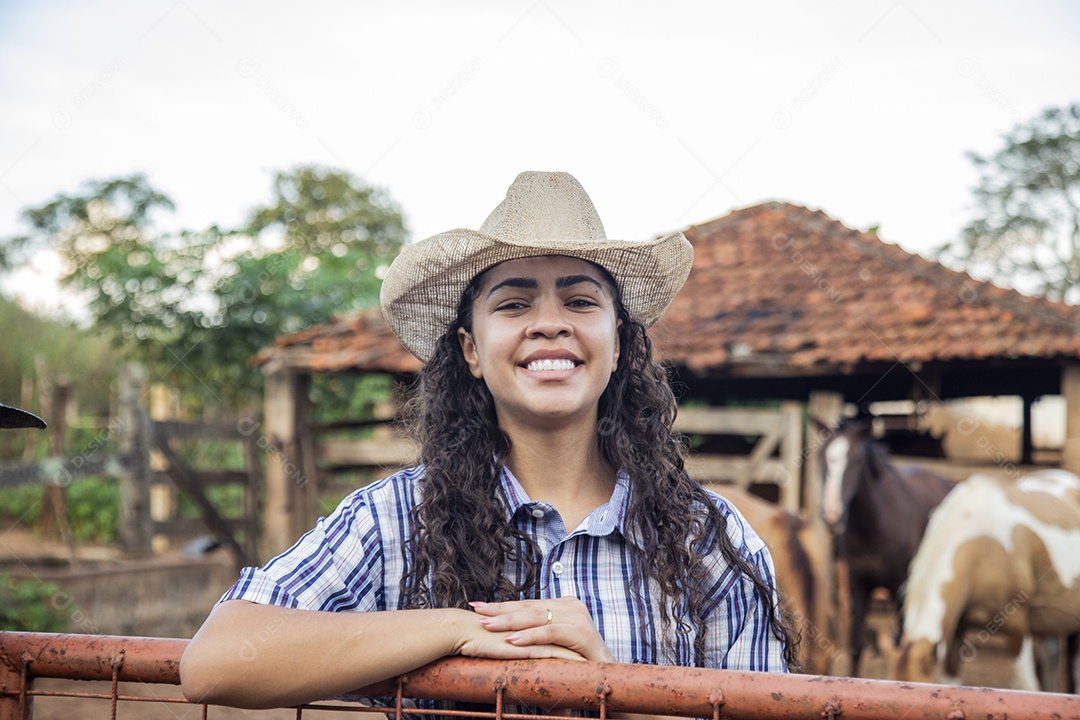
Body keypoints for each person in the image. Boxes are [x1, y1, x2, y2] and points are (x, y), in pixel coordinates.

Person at [180, 171, 794, 710]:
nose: (549, 321)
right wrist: (457, 630)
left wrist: (609, 687)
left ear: (618, 345)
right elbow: (218, 660)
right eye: (514, 302)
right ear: (471, 350)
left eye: (580, 300)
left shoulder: (707, 540)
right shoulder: (396, 520)